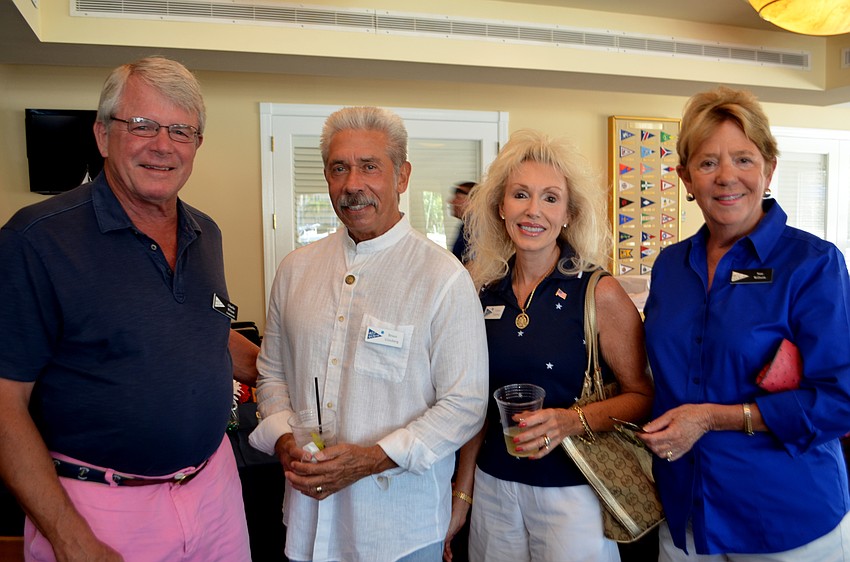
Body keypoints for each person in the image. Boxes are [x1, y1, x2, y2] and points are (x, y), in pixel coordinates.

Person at [0, 56, 258, 561]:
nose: (163, 146)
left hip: (216, 491)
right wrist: (70, 538)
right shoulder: (35, 240)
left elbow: (204, 321)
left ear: (197, 146)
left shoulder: (207, 233)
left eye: (181, 130)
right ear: (102, 135)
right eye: (141, 125)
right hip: (100, 508)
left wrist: (285, 369)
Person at [248, 106, 489, 562]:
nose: (352, 184)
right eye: (339, 168)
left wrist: (374, 458)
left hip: (399, 527)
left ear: (402, 176)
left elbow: (466, 403)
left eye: (369, 167)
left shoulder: (443, 278)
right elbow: (272, 373)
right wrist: (284, 438)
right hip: (307, 517)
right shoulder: (296, 270)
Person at [640, 86, 850, 561]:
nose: (727, 177)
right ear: (685, 178)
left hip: (783, 517)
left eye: (744, 159)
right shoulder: (670, 267)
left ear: (769, 169)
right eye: (708, 163)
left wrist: (714, 417)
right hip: (685, 510)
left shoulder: (813, 265)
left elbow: (842, 400)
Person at [445, 129, 654, 562]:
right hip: (493, 489)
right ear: (500, 207)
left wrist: (569, 421)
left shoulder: (599, 292)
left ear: (569, 214)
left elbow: (642, 395)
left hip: (573, 495)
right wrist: (462, 496)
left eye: (550, 198)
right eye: (520, 195)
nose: (533, 210)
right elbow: (476, 406)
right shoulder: (481, 292)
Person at [449, 181, 475, 262]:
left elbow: (475, 268)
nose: (452, 201)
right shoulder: (465, 227)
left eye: (458, 198)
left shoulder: (478, 231)